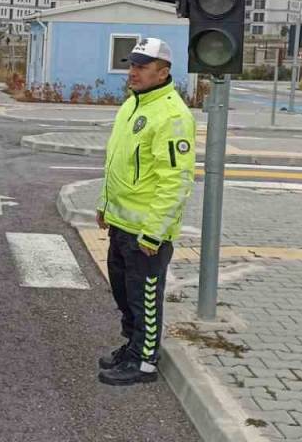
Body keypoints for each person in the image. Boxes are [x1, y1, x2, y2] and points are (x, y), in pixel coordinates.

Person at [96, 38, 196, 386]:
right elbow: (117, 162)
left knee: (145, 299)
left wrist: (154, 232)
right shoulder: (133, 105)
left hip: (146, 233)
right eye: (132, 64)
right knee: (126, 295)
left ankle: (145, 362)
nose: (133, 71)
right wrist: (104, 205)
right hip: (122, 224)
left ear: (163, 71)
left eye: (142, 66)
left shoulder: (172, 115)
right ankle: (132, 345)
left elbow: (176, 180)